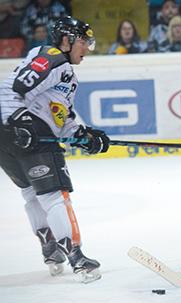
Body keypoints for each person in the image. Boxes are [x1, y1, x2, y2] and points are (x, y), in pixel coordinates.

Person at [0, 16, 109, 283]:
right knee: (55, 196)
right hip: (21, 131)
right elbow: (17, 87)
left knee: (31, 194)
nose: (87, 48)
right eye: (83, 41)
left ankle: (51, 250)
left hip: (9, 138)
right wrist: (18, 122)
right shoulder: (53, 57)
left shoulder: (62, 72)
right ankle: (77, 258)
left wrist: (84, 137)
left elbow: (58, 117)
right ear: (66, 40)